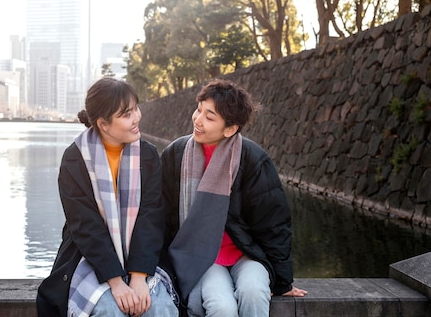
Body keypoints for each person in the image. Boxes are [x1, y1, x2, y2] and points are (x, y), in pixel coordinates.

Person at [159, 78, 307, 317]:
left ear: (230, 129)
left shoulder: (251, 158)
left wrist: (282, 282)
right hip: (202, 257)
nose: (198, 120)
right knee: (222, 307)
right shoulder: (175, 155)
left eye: (210, 117)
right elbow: (161, 219)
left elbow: (274, 223)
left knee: (254, 292)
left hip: (246, 254)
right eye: (199, 110)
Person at [36, 77, 178, 317]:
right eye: (126, 114)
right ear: (103, 123)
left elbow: (151, 217)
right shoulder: (75, 159)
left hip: (141, 255)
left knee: (162, 307)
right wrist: (116, 282)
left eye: (135, 109)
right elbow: (85, 225)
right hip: (90, 256)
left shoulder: (147, 155)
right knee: (108, 309)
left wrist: (139, 277)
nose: (136, 118)